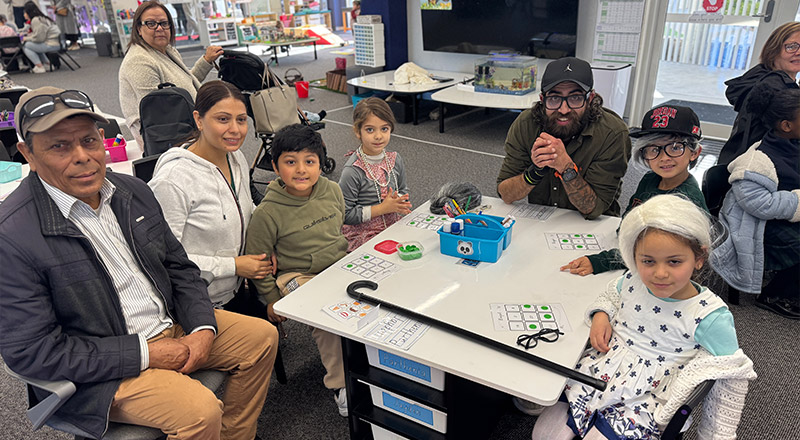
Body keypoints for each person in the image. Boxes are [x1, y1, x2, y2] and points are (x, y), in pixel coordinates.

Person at [0, 86, 278, 440]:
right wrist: (145, 354)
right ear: (28, 153)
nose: (83, 156)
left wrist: (202, 327)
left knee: (262, 338)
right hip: (104, 368)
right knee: (200, 412)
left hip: (171, 323)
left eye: (89, 140)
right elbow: (32, 352)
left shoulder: (132, 191)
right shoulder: (13, 235)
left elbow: (180, 268)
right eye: (59, 146)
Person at [532, 195, 753, 440]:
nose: (660, 273)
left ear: (699, 258)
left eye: (674, 261)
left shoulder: (709, 315)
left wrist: (717, 434)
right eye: (648, 261)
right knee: (544, 435)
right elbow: (611, 295)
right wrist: (601, 314)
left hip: (646, 396)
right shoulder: (632, 280)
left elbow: (733, 372)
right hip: (601, 369)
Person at [245, 124, 350, 417]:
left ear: (321, 164)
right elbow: (258, 260)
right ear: (275, 167)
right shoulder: (267, 212)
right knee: (325, 315)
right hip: (295, 276)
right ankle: (341, 385)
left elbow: (337, 230)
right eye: (290, 162)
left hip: (337, 266)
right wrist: (270, 299)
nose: (301, 170)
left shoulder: (332, 190)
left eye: (310, 161)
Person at [149, 80, 275, 309]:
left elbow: (243, 209)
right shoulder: (172, 180)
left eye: (241, 120)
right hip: (200, 300)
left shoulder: (235, 157)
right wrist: (233, 266)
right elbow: (164, 258)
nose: (235, 129)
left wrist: (267, 243)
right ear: (199, 120)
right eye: (223, 119)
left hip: (237, 286)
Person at [562, 105, 708, 276]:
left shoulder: (685, 200)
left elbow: (655, 253)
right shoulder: (650, 179)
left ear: (694, 152)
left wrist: (600, 262)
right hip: (630, 253)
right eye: (654, 149)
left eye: (675, 147)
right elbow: (628, 222)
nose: (664, 158)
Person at [496, 56, 631, 220]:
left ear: (590, 99)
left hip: (594, 225)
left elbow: (594, 209)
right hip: (543, 221)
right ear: (542, 100)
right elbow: (505, 194)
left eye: (575, 98)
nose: (564, 109)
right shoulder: (526, 124)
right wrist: (535, 171)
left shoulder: (612, 133)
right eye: (554, 98)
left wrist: (566, 168)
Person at [712, 84, 800, 319]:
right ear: (786, 126)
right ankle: (775, 295)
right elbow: (760, 204)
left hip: (779, 216)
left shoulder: (793, 144)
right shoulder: (756, 162)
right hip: (754, 225)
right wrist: (797, 201)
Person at [119, 1, 223, 147]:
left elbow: (184, 84)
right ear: (139, 29)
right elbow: (162, 113)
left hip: (186, 126)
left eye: (164, 23)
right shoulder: (139, 61)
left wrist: (206, 60)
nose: (159, 28)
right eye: (151, 23)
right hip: (169, 140)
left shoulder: (167, 50)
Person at [718, 21, 800, 165]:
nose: (798, 52)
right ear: (773, 50)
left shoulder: (760, 75)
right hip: (762, 165)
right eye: (791, 47)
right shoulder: (774, 87)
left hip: (737, 159)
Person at [339, 97, 411, 252]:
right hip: (364, 233)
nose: (378, 136)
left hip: (393, 223)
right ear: (357, 132)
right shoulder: (352, 171)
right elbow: (345, 214)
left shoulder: (395, 159)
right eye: (370, 130)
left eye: (384, 129)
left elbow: (403, 190)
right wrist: (382, 209)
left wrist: (399, 202)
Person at [21, 1, 60, 74]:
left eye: (24, 13)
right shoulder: (43, 18)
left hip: (50, 45)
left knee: (26, 45)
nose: (24, 15)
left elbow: (39, 39)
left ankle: (39, 66)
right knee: (33, 46)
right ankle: (47, 64)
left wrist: (25, 38)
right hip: (56, 43)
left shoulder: (36, 20)